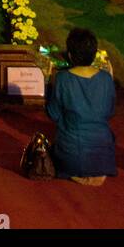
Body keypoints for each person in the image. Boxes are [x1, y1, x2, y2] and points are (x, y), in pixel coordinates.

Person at [46, 27, 116, 186]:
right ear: (95, 53)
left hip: (71, 152)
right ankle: (94, 171)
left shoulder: (62, 78)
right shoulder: (106, 79)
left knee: (54, 151)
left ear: (70, 55)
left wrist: (49, 85)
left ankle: (77, 172)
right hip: (103, 155)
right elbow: (110, 112)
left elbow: (53, 114)